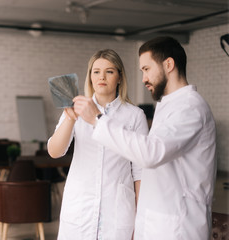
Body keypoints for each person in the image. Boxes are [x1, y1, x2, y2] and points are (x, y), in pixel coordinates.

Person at [73, 36, 216, 239]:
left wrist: (98, 120)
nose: (143, 78)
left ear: (168, 64)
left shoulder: (190, 107)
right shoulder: (169, 105)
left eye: (147, 69)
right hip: (158, 223)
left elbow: (151, 153)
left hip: (179, 226)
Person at [48, 49, 149, 239]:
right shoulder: (76, 109)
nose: (102, 76)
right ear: (90, 77)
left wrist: (140, 219)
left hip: (117, 212)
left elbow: (140, 172)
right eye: (96, 71)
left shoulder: (135, 115)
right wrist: (70, 119)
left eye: (109, 71)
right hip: (79, 209)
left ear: (119, 77)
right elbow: (55, 152)